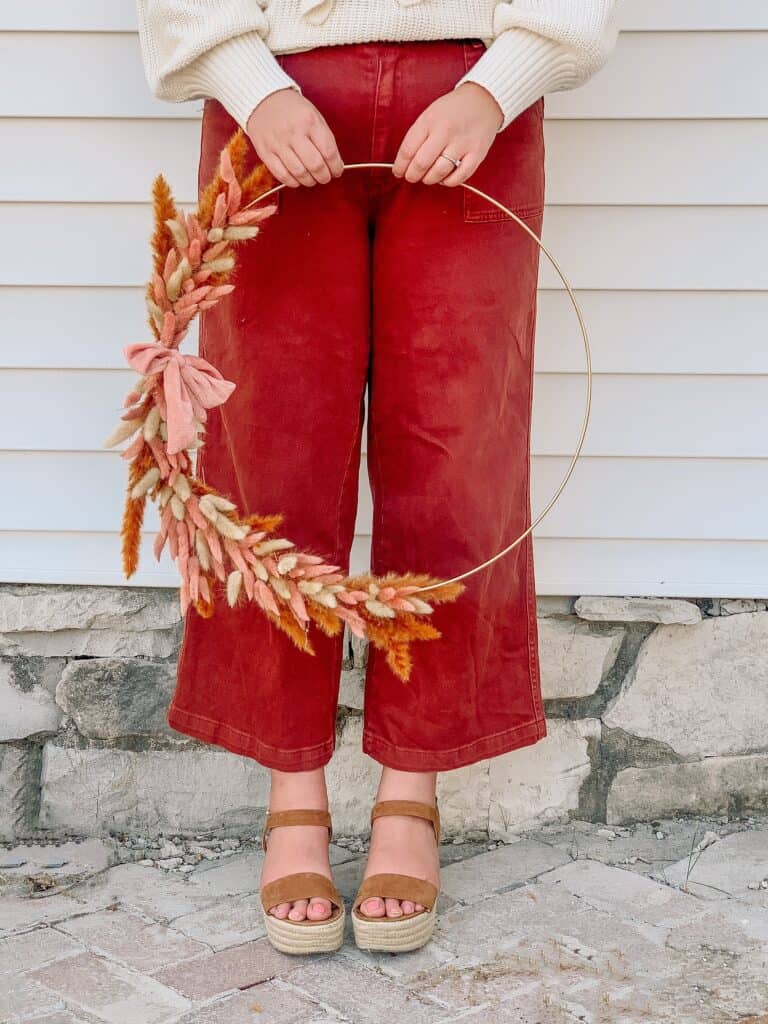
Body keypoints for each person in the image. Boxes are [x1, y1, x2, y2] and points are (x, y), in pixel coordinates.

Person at [135, 0, 622, 954]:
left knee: (457, 452)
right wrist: (252, 86)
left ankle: (412, 787)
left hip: (472, 98)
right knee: (267, 456)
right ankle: (293, 786)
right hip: (275, 98)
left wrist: (495, 88)